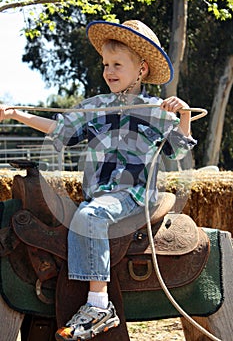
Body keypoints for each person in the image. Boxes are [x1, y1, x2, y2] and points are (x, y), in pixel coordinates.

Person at [0, 20, 197, 341]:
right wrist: (15, 115)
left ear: (142, 69)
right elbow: (59, 129)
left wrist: (183, 117)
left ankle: (98, 304)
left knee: (90, 216)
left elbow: (176, 151)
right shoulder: (95, 107)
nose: (109, 71)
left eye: (118, 64)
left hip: (134, 193)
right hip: (101, 195)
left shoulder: (156, 110)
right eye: (106, 64)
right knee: (88, 211)